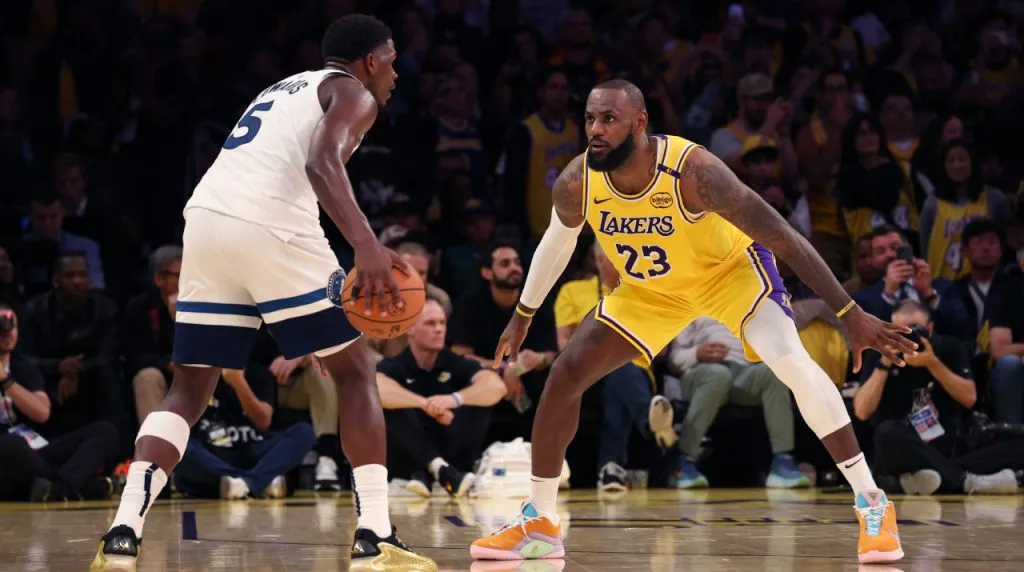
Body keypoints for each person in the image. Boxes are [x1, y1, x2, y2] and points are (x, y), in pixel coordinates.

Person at [470, 80, 917, 565]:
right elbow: (557, 245)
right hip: (651, 292)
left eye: (609, 120)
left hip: (730, 275)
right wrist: (523, 315)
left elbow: (784, 236)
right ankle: (539, 523)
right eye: (590, 119)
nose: (596, 130)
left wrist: (849, 312)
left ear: (641, 124)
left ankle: (872, 503)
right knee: (565, 375)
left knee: (790, 361)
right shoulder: (578, 181)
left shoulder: (695, 171)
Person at [91, 15, 437, 572]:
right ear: (371, 60)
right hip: (272, 225)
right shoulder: (354, 93)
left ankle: (122, 533)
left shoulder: (285, 87)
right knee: (355, 371)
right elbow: (320, 163)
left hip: (205, 221)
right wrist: (368, 246)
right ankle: (376, 534)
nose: (396, 72)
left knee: (189, 388)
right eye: (392, 60)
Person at [854, 299, 1021, 495]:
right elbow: (862, 412)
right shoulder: (879, 353)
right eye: (902, 331)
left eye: (915, 329)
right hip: (905, 447)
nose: (910, 337)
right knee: (886, 433)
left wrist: (933, 364)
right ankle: (965, 480)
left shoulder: (949, 348)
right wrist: (884, 365)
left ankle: (922, 479)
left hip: (948, 442)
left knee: (1017, 441)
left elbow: (969, 398)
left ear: (930, 328)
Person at [376, 297, 506, 497]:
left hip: (453, 452)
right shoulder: (394, 365)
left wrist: (453, 399)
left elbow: (497, 386)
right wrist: (425, 404)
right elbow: (376, 388)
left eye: (442, 323)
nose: (439, 329)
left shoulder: (455, 362)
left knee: (480, 400)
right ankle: (438, 469)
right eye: (430, 323)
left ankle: (434, 472)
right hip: (408, 457)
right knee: (388, 406)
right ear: (409, 329)